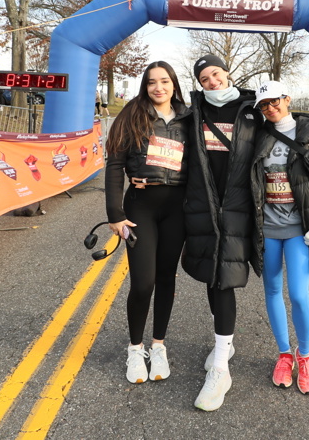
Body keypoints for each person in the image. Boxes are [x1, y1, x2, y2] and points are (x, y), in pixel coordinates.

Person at [249, 80, 309, 395]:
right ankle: (284, 354)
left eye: (274, 101)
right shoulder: (259, 135)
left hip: (300, 229)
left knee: (299, 295)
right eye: (264, 105)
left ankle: (306, 355)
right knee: (273, 291)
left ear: (287, 99)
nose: (270, 108)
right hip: (269, 229)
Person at [105, 61, 192, 384]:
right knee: (143, 282)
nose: (159, 87)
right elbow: (115, 164)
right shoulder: (132, 114)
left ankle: (158, 345)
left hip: (177, 207)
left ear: (174, 84)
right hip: (140, 207)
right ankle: (135, 348)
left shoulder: (188, 117)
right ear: (145, 86)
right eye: (152, 82)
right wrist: (114, 213)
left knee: (166, 278)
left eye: (165, 81)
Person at [183, 54, 260, 411]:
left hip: (238, 206)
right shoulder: (193, 112)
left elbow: (281, 136)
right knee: (211, 275)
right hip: (203, 205)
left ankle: (220, 369)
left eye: (216, 74)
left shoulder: (252, 109)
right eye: (205, 79)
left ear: (227, 72)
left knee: (225, 279)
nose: (212, 82)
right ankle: (223, 346)